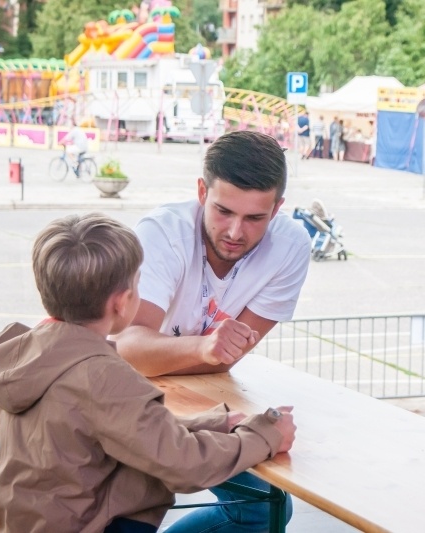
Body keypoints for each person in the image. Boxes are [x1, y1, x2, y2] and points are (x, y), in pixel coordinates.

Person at [0, 213, 297, 533]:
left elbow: (118, 427)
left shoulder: (32, 355)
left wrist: (213, 422)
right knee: (262, 508)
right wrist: (267, 435)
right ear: (122, 302)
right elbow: (185, 465)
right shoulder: (102, 377)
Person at [116, 130, 311, 531]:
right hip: (124, 399)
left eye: (255, 218)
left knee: (264, 508)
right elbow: (127, 350)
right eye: (224, 211)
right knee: (128, 508)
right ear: (202, 191)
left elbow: (228, 356)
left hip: (197, 398)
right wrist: (204, 348)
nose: (236, 232)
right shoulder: (162, 232)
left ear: (277, 210)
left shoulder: (291, 245)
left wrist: (190, 354)